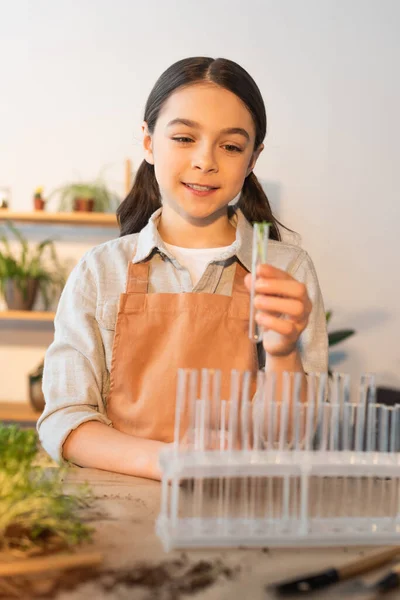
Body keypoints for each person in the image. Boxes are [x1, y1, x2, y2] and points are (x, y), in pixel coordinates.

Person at [37, 57, 328, 480]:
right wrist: (172, 461)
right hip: (116, 511)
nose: (204, 161)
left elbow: (295, 440)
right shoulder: (101, 271)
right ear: (149, 141)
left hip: (240, 511)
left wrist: (284, 354)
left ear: (252, 159)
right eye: (184, 137)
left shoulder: (288, 271)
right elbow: (65, 421)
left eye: (230, 146)